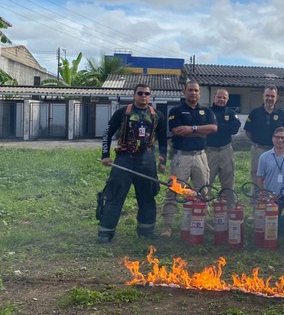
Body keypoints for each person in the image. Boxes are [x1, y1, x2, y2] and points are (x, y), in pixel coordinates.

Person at [97, 83, 167, 243]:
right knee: (115, 195)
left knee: (148, 196)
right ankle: (105, 233)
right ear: (134, 95)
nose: (143, 96)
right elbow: (107, 133)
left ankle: (146, 230)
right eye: (140, 93)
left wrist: (163, 161)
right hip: (124, 159)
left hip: (147, 160)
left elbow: (163, 140)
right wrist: (105, 155)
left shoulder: (157, 115)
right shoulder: (122, 113)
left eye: (146, 94)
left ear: (150, 96)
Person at [160, 80, 217, 237]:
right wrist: (201, 132)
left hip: (200, 156)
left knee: (203, 190)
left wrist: (191, 128)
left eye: (196, 91)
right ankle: (167, 225)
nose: (193, 93)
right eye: (190, 90)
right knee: (173, 190)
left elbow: (213, 129)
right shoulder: (176, 111)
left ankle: (203, 221)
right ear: (184, 92)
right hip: (181, 157)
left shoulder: (206, 111)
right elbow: (177, 131)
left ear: (200, 93)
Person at [244, 86, 284, 181]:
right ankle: (257, 195)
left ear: (276, 97)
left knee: (275, 175)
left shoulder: (281, 114)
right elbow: (247, 131)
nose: (269, 98)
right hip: (258, 149)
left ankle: (274, 196)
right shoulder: (254, 113)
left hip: (276, 150)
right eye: (267, 95)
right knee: (256, 175)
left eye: (272, 96)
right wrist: (256, 142)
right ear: (263, 96)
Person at [206, 89, 241, 197]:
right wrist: (224, 126)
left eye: (224, 98)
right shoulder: (207, 111)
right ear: (214, 98)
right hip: (210, 151)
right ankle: (203, 210)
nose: (221, 99)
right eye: (219, 97)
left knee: (228, 183)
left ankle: (229, 209)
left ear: (227, 99)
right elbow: (205, 129)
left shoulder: (231, 113)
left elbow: (234, 128)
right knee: (206, 182)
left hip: (226, 150)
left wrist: (215, 126)